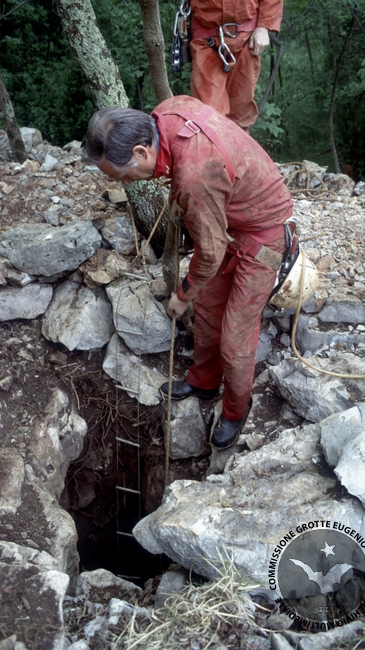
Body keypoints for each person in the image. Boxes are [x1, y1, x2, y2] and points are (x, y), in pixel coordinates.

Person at [85, 95, 293, 449]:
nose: (127, 185)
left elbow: (210, 253)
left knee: (235, 334)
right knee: (209, 308)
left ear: (141, 152)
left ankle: (235, 409)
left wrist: (182, 295)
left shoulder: (195, 176)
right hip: (230, 218)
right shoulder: (164, 114)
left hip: (264, 233)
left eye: (124, 176)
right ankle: (204, 381)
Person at [188, 0, 284, 130]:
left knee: (241, 115)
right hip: (206, 37)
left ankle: (238, 142)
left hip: (246, 36)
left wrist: (264, 27)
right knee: (208, 116)